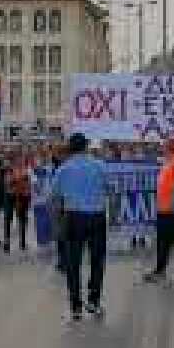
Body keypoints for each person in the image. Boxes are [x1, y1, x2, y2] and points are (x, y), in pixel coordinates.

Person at [50, 133, 110, 319]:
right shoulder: (99, 165)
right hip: (97, 217)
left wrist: (57, 223)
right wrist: (114, 217)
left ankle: (75, 306)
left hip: (73, 218)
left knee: (73, 263)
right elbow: (112, 191)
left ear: (70, 149)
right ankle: (93, 301)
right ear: (85, 147)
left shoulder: (63, 169)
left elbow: (54, 198)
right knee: (97, 261)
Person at [144, 138, 174, 284]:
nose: (162, 149)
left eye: (165, 147)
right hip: (164, 209)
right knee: (163, 242)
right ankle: (161, 270)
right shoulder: (169, 162)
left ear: (171, 148)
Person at [6, 150, 33, 252]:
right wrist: (17, 181)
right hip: (11, 196)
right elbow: (8, 182)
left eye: (21, 158)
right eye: (18, 158)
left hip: (23, 196)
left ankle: (22, 241)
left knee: (22, 219)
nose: (20, 160)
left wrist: (24, 186)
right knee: (8, 218)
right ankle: (7, 240)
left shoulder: (27, 169)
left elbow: (29, 183)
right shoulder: (10, 169)